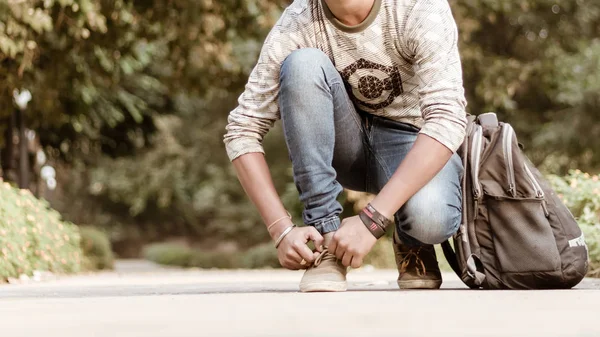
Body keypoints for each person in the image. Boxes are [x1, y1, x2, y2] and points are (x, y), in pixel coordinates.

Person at [224, 0, 467, 292]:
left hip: (410, 143)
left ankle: (412, 240)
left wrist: (373, 219)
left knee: (431, 218)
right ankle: (326, 242)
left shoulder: (418, 7)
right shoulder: (298, 22)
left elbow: (447, 119)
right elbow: (242, 129)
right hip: (346, 147)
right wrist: (280, 230)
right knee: (303, 64)